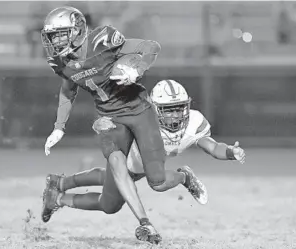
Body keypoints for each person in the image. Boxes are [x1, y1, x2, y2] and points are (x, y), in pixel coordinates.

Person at [40, 7, 203, 244]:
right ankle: (145, 224)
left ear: (77, 31)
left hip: (139, 111)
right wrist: (59, 126)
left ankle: (184, 177)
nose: (55, 41)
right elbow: (68, 88)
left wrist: (136, 68)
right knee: (115, 170)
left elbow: (151, 47)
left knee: (151, 185)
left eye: (60, 34)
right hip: (109, 119)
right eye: (52, 36)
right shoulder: (61, 62)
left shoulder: (102, 41)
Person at [44, 80, 246, 240]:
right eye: (168, 109)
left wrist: (229, 152)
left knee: (129, 184)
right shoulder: (143, 119)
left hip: (144, 165)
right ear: (155, 109)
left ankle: (59, 187)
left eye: (178, 108)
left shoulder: (193, 121)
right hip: (131, 162)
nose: (175, 115)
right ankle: (59, 194)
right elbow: (116, 120)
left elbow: (211, 146)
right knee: (109, 204)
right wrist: (101, 124)